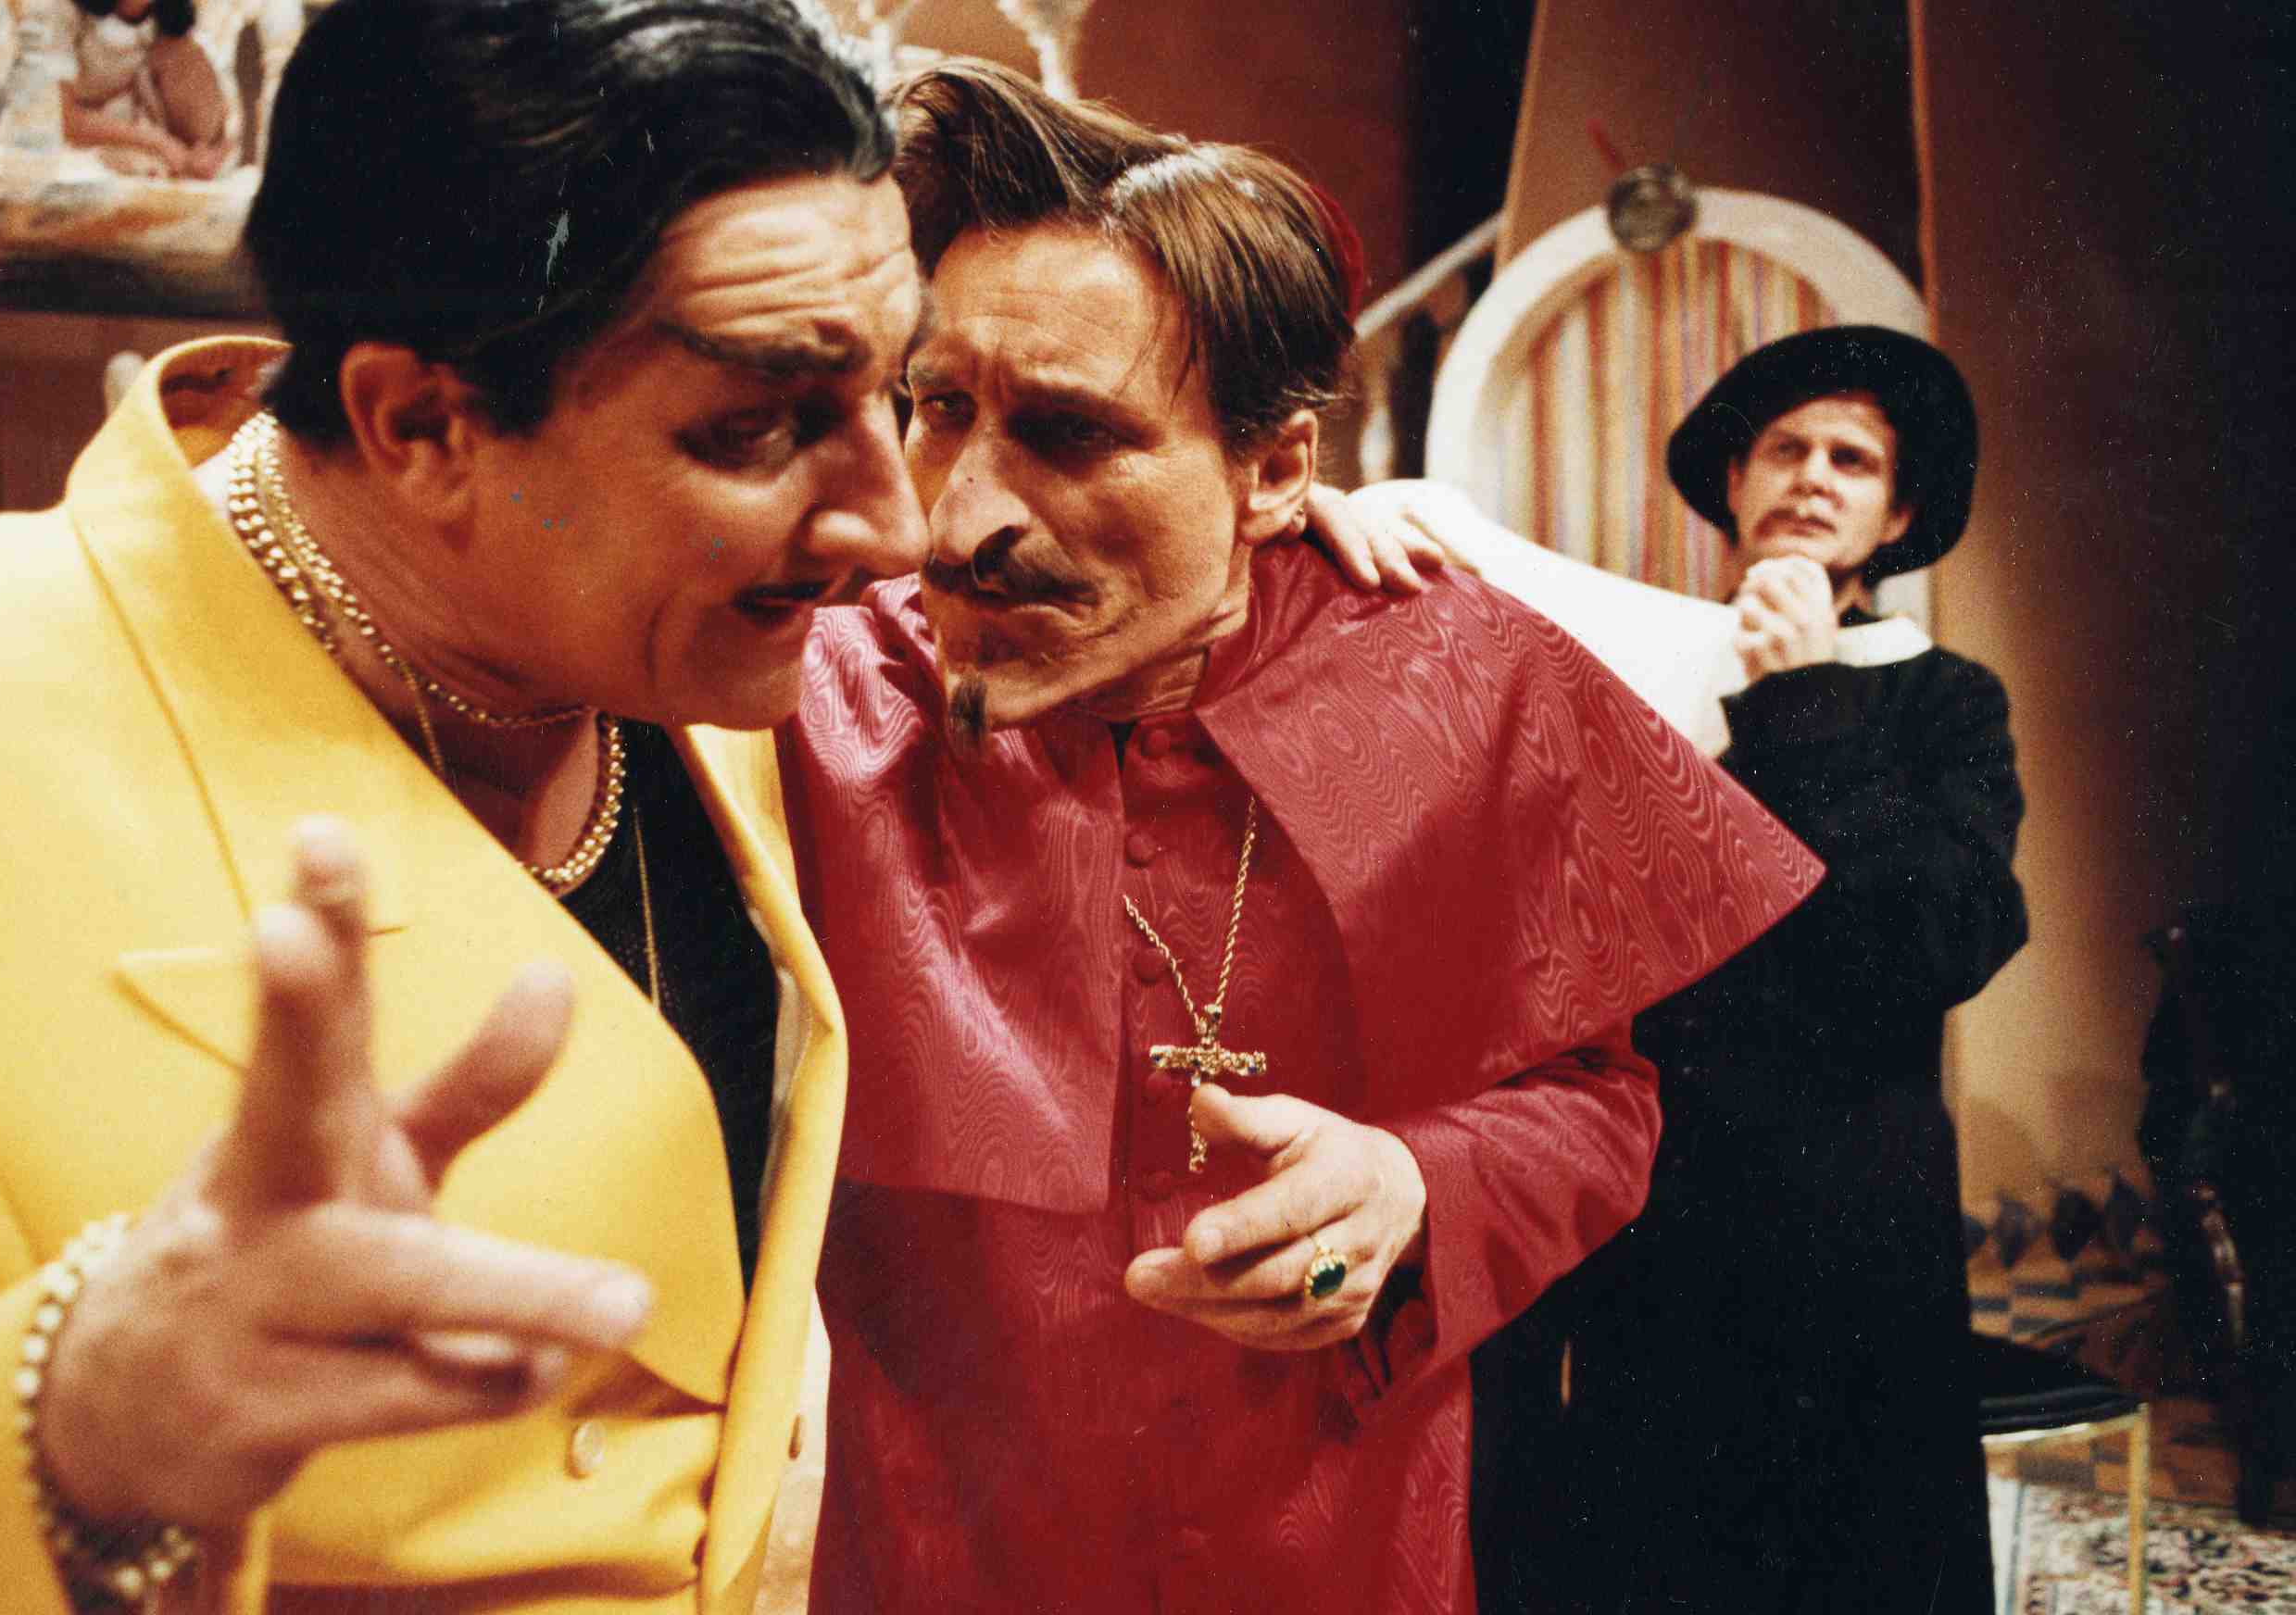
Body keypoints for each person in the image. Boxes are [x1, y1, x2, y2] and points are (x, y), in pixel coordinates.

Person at [0, 2, 928, 1609]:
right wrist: (77, 1418)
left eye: (900, 392)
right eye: (756, 427)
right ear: (422, 425)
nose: (897, 525)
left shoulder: (714, 653)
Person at [775, 65, 1824, 1614]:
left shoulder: (1458, 676)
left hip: (1340, 1546)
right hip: (948, 1556)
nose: (958, 520)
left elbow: (1597, 1102)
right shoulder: (808, 692)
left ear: (1274, 469)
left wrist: (1418, 1186)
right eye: (939, 411)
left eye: (1067, 432)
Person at [1531, 327, 2030, 1613]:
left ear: (1896, 515)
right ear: (1734, 484)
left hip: (1850, 1205)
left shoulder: (1943, 700)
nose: (1811, 476)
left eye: (1850, 459)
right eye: (1784, 449)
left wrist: (1803, 700)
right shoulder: (1642, 677)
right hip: (1662, 1192)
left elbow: (1940, 941)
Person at [60, 0, 231, 181]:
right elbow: (63, 119)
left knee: (184, 54)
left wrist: (203, 153)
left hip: (140, 133)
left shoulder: (171, 28)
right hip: (76, 142)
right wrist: (157, 142)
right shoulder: (63, 11)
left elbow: (213, 131)